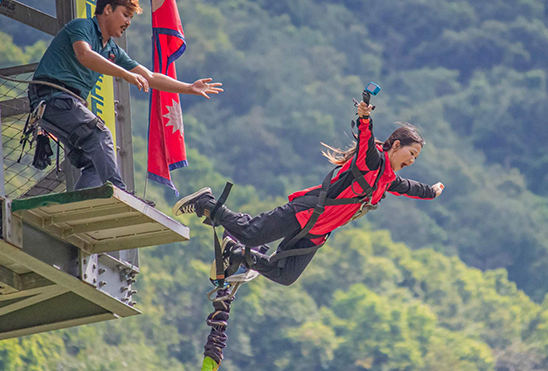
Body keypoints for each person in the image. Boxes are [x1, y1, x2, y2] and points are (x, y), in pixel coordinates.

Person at [172, 101, 445, 286]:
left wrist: (432, 192)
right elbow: (365, 138)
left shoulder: (387, 181)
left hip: (316, 233)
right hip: (306, 211)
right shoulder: (371, 161)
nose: (411, 161)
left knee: (286, 275)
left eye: (416, 158)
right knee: (251, 233)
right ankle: (206, 204)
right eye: (411, 154)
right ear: (395, 145)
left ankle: (238, 255)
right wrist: (364, 116)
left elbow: (412, 188)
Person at [28, 0, 222, 192]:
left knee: (95, 161)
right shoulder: (82, 27)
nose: (128, 22)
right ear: (108, 9)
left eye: (130, 18)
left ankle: (76, 205)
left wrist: (190, 88)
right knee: (100, 135)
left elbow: (150, 76)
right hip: (52, 96)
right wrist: (124, 73)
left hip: (65, 104)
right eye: (126, 15)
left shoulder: (112, 50)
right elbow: (84, 55)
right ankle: (120, 191)